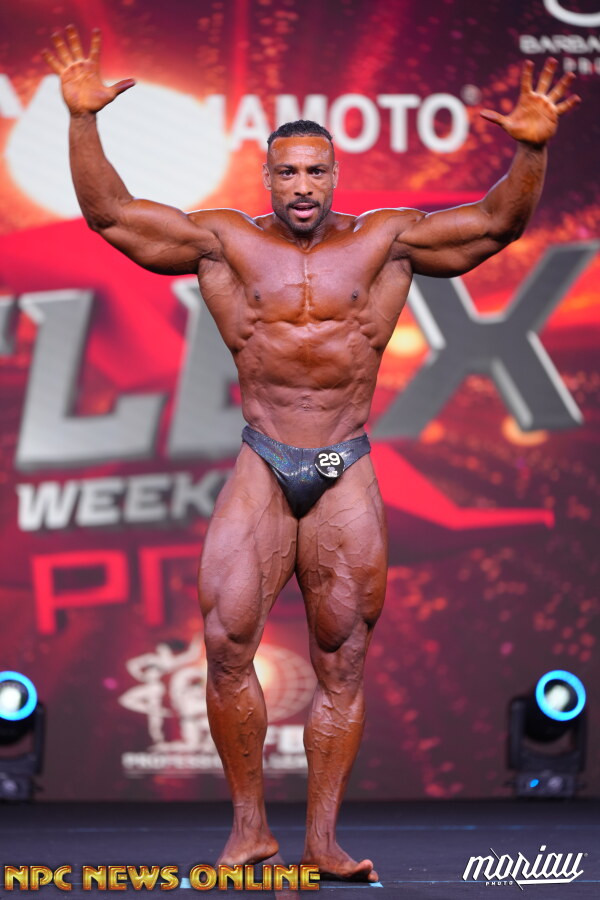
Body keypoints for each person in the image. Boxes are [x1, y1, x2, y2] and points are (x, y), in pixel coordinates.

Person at [42, 25, 580, 882]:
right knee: (226, 644)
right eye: (288, 172)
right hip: (263, 459)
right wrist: (81, 121)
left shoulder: (386, 241)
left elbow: (494, 226)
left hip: (345, 466)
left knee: (343, 659)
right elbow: (113, 216)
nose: (302, 186)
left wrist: (530, 153)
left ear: (335, 177)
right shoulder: (224, 242)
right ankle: (250, 831)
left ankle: (323, 841)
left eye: (316, 172)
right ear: (268, 177)